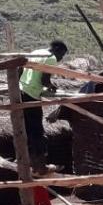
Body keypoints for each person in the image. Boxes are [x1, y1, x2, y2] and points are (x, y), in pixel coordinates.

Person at [18, 39, 67, 167]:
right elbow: (44, 80)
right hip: (32, 94)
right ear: (57, 50)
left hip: (21, 91)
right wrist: (51, 86)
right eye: (61, 55)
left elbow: (20, 69)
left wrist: (19, 84)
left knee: (26, 127)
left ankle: (24, 158)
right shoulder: (51, 58)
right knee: (37, 129)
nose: (61, 58)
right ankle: (39, 163)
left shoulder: (36, 52)